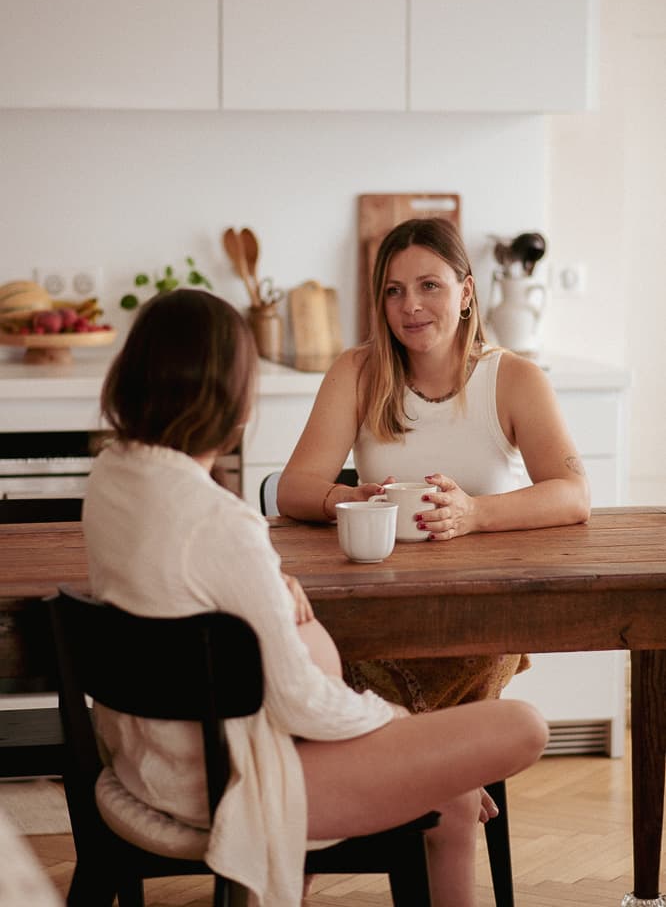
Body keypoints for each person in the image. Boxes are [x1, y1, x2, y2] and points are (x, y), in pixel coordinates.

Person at [83, 287, 547, 907]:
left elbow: (178, 583)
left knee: (456, 796)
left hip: (151, 762)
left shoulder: (113, 480)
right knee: (522, 726)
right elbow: (304, 705)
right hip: (234, 781)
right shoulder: (221, 523)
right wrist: (411, 729)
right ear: (233, 396)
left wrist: (260, 588)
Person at [278, 216, 591, 712]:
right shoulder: (356, 373)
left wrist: (474, 514)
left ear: (466, 292)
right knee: (332, 660)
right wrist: (346, 499)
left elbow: (573, 494)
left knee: (448, 666)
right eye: (394, 291)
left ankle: (418, 771)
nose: (411, 306)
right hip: (375, 605)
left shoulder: (514, 378)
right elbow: (292, 487)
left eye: (430, 286)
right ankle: (452, 781)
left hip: (482, 609)